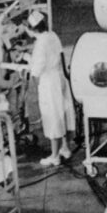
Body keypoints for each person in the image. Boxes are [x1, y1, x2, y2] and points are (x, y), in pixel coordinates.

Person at [24, 11, 76, 167]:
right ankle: (65, 148)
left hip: (49, 82)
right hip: (60, 77)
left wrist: (26, 63)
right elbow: (57, 55)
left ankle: (54, 156)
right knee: (61, 114)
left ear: (32, 29)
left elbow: (37, 70)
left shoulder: (40, 43)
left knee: (52, 116)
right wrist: (29, 57)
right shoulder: (52, 35)